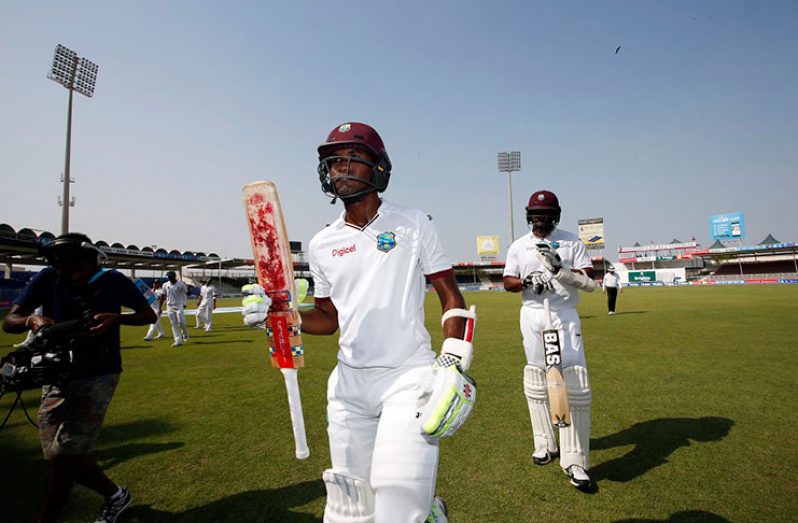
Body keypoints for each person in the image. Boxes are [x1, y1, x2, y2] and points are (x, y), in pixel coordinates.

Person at [242, 122, 474, 522]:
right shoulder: (322, 243)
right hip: (349, 389)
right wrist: (277, 316)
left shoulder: (413, 223)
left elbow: (451, 295)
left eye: (353, 160)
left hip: (407, 377)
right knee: (351, 512)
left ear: (379, 168)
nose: (340, 170)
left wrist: (453, 360)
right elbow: (327, 319)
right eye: (333, 163)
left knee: (399, 508)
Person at [1, 232, 156, 523]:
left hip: (99, 372)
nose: (73, 276)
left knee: (64, 457)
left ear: (93, 260)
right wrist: (31, 320)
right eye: (66, 270)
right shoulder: (48, 278)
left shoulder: (113, 280)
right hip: (56, 372)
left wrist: (116, 318)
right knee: (56, 454)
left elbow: (148, 314)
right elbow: (11, 321)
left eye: (80, 269)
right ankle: (116, 495)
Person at [502, 190, 597, 492]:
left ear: (555, 215)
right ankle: (544, 443)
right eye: (534, 215)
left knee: (573, 382)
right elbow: (508, 281)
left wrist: (561, 271)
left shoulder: (572, 242)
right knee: (536, 378)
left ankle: (576, 460)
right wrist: (527, 281)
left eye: (544, 216)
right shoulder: (519, 246)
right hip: (532, 315)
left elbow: (590, 281)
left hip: (564, 315)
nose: (538, 221)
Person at [162, 270, 189, 347]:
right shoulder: (165, 285)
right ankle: (178, 340)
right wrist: (160, 307)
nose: (169, 277)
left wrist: (189, 288)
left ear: (174, 276)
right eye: (168, 276)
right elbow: (163, 295)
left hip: (179, 305)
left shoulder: (181, 284)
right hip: (169, 306)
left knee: (181, 322)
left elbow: (188, 293)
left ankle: (185, 333)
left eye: (170, 276)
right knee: (173, 324)